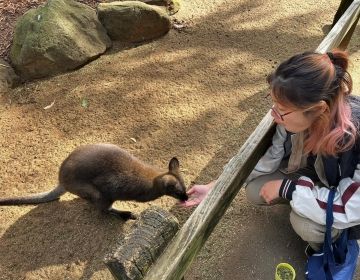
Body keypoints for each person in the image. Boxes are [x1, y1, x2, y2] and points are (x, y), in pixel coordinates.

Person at [181, 49, 360, 254]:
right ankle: (310, 202)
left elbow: (351, 206)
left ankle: (334, 245)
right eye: (273, 104)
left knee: (305, 225)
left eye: (281, 109)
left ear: (319, 109)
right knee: (256, 189)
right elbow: (269, 157)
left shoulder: (355, 137)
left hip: (349, 204)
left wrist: (289, 189)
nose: (274, 114)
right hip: (321, 177)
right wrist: (217, 186)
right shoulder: (295, 116)